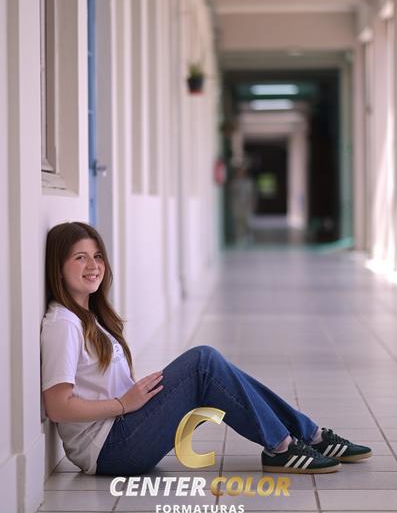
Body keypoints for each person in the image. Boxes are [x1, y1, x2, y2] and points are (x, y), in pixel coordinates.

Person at [41, 221, 372, 476]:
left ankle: (307, 436)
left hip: (123, 429)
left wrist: (129, 402)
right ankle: (288, 445)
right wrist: (122, 404)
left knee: (215, 371)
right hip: (111, 449)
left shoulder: (89, 318)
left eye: (97, 256)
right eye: (80, 258)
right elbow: (57, 407)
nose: (93, 265)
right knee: (204, 362)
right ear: (59, 267)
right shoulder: (63, 324)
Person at [228, 165, 254, 244]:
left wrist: (251, 203)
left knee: (246, 221)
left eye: (241, 171)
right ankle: (239, 237)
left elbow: (251, 194)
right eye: (238, 171)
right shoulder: (234, 182)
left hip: (246, 205)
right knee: (238, 222)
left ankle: (247, 236)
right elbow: (231, 193)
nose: (240, 173)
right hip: (237, 205)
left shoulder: (248, 182)